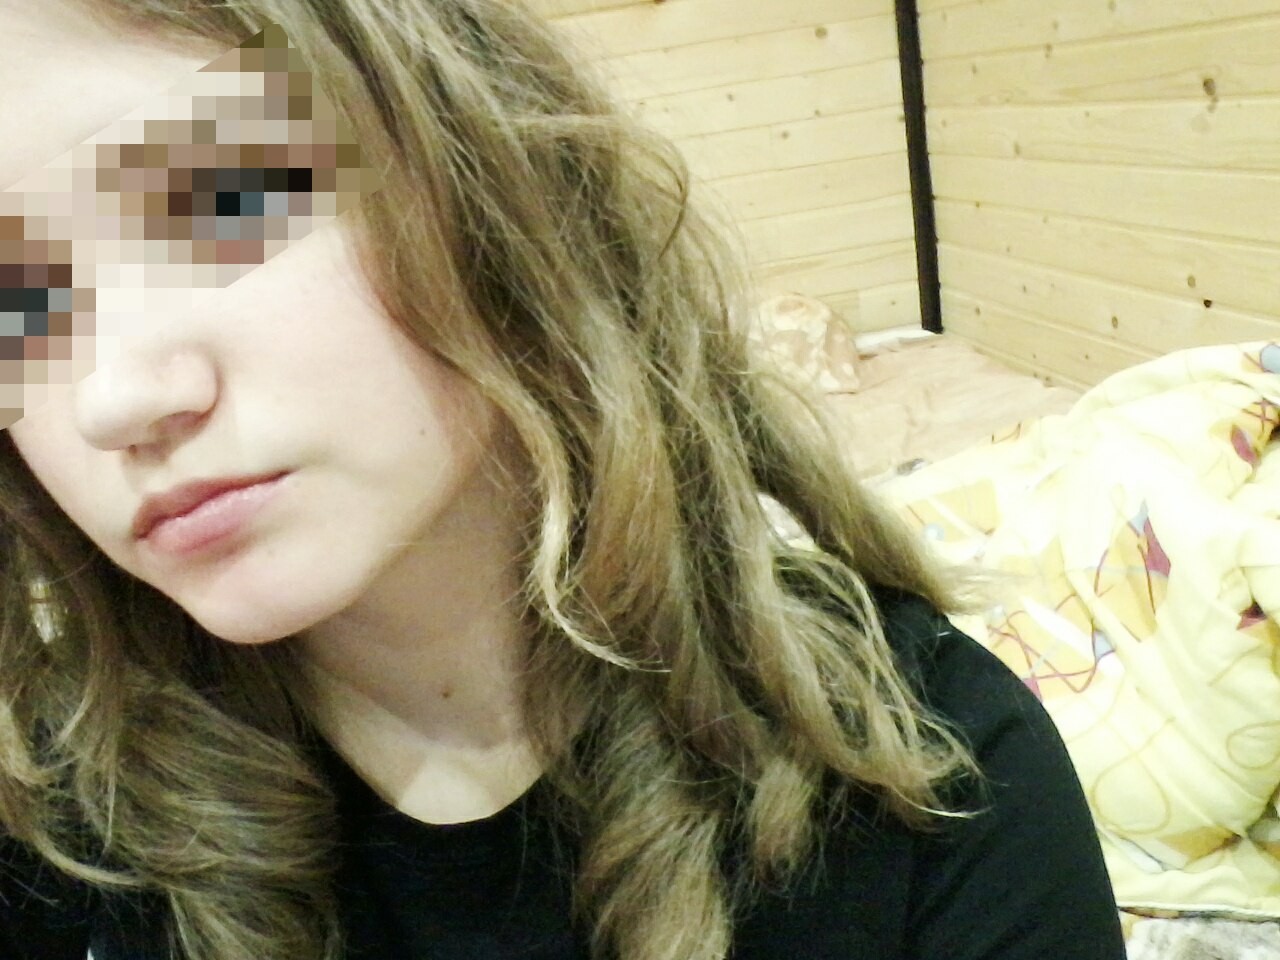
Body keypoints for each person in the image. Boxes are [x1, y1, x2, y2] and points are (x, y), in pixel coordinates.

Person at [0, 1, 1127, 958]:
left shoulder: (937, 779)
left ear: (484, 180)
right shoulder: (53, 826)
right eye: (17, 301)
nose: (109, 399)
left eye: (215, 195)